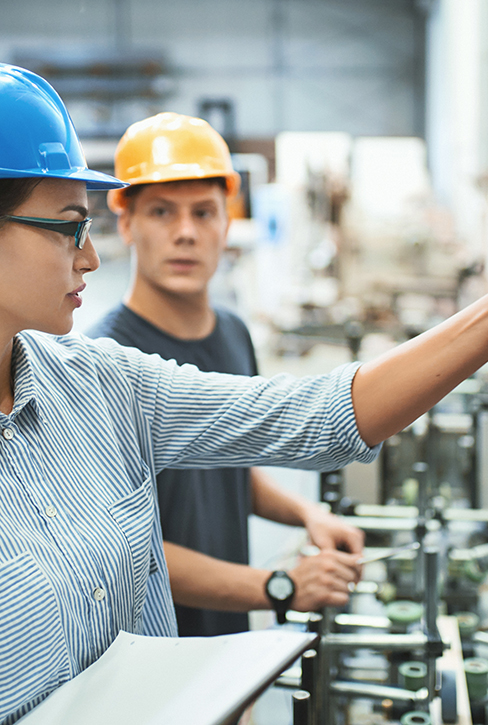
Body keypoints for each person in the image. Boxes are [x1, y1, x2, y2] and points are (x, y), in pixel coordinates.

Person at [1, 63, 488, 724]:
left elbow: (310, 415)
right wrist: (275, 585)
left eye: (205, 210)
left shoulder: (100, 384)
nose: (89, 259)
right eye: (66, 227)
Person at [87, 112, 366, 637]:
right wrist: (275, 585)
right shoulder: (99, 361)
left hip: (229, 642)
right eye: (162, 212)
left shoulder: (234, 334)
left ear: (226, 222)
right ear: (125, 223)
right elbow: (113, 549)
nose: (186, 233)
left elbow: (230, 468)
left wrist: (307, 514)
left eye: (203, 212)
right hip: (152, 658)